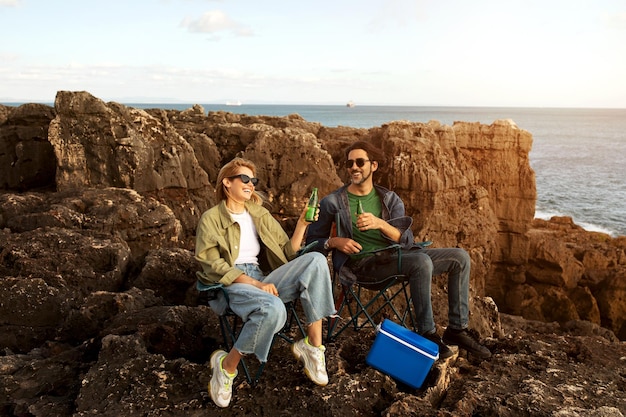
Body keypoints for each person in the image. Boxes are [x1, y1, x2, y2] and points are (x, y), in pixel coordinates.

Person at [306, 141, 491, 360]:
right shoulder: (333, 202)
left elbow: (407, 241)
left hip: (396, 257)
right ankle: (427, 333)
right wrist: (335, 242)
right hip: (362, 267)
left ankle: (456, 330)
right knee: (421, 262)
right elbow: (313, 241)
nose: (354, 167)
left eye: (359, 162)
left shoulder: (389, 199)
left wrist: (380, 224)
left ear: (373, 165)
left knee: (460, 258)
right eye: (349, 163)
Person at [195, 157, 336, 408]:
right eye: (244, 179)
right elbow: (212, 265)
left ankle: (313, 346)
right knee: (273, 308)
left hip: (263, 277)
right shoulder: (211, 218)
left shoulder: (259, 213)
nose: (250, 184)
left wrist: (302, 223)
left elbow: (287, 254)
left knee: (315, 259)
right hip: (231, 282)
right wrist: (256, 285)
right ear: (227, 182)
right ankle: (226, 368)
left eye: (253, 180)